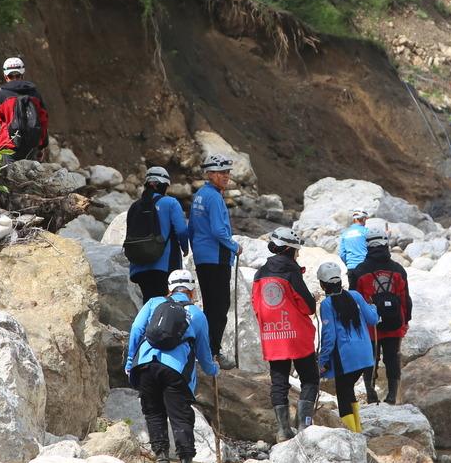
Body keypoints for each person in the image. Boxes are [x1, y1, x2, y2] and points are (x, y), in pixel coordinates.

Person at [124, 269, 218, 463]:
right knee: (180, 414)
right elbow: (204, 353)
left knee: (153, 412)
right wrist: (213, 369)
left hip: (146, 365)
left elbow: (136, 329)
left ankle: (161, 460)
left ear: (169, 288)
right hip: (174, 369)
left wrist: (131, 360)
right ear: (192, 291)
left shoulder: (153, 303)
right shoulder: (197, 314)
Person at [252, 227, 318, 442]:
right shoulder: (291, 272)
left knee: (278, 382)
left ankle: (283, 430)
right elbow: (308, 307)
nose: (298, 255)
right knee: (309, 378)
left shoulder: (260, 273)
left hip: (272, 335)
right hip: (296, 335)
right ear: (289, 249)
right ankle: (304, 425)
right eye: (296, 251)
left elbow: (255, 304)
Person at [189, 154, 242, 367]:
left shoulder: (200, 195)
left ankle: (206, 350)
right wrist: (235, 247)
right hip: (216, 257)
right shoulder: (215, 198)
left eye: (227, 172)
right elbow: (219, 231)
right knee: (219, 308)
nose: (225, 176)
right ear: (210, 174)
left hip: (203, 257)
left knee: (210, 305)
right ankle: (213, 353)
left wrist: (193, 249)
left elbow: (191, 227)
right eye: (221, 173)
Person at [350, 229, 412, 405]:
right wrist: (406, 321)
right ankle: (392, 395)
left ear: (367, 245)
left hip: (370, 328)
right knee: (392, 357)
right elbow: (405, 299)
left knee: (370, 359)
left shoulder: (359, 271)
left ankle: (371, 393)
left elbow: (354, 300)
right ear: (386, 244)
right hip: (395, 324)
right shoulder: (398, 270)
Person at [316, 262, 377, 433]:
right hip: (366, 356)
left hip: (346, 358)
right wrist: (373, 306)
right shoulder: (356, 295)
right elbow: (372, 319)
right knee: (348, 388)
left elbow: (330, 336)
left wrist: (322, 360)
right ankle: (357, 428)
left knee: (343, 392)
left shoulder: (327, 304)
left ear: (322, 284)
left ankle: (352, 432)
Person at [126, 167, 189, 302]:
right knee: (164, 302)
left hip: (139, 266)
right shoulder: (170, 203)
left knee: (149, 302)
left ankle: (147, 323)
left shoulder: (135, 206)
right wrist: (185, 248)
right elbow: (182, 230)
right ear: (163, 185)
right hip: (163, 265)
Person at [0, 56, 49, 164]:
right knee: (30, 177)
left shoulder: (2, 95)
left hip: (9, 145)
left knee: (10, 178)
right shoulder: (35, 94)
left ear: (5, 76)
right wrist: (43, 145)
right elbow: (43, 121)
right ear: (23, 75)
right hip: (32, 145)